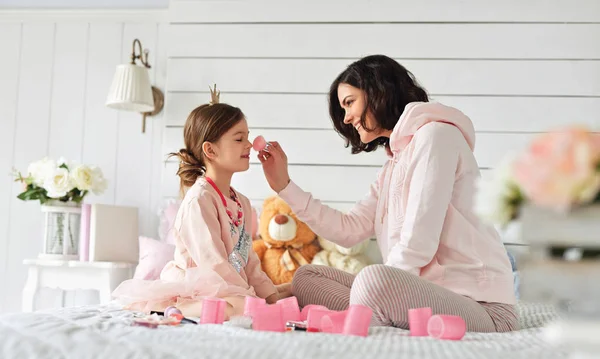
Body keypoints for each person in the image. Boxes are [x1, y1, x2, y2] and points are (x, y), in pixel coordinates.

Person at [258, 55, 518, 332]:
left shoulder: (436, 137)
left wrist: (383, 286)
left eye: (349, 103)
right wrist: (283, 185)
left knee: (373, 280)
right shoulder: (394, 163)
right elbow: (349, 229)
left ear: (377, 92)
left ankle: (363, 315)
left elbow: (420, 241)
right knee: (306, 277)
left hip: (482, 307)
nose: (346, 118)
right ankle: (371, 313)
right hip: (421, 296)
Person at [112, 89, 287, 319]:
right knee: (242, 307)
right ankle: (167, 307)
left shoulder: (241, 202)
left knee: (285, 292)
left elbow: (249, 261)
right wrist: (253, 299)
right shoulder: (199, 200)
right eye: (239, 138)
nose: (249, 145)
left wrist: (270, 296)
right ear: (210, 150)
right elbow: (213, 264)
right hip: (197, 287)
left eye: (248, 137)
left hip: (228, 288)